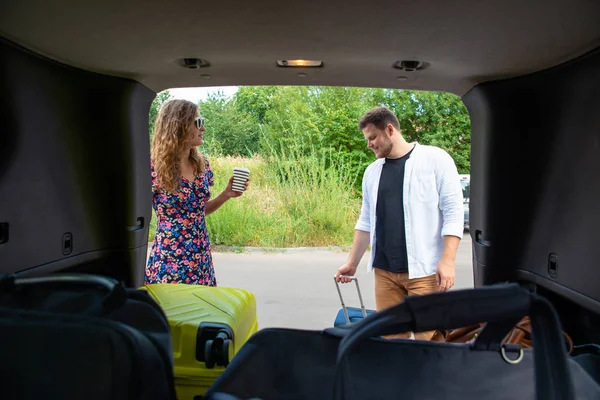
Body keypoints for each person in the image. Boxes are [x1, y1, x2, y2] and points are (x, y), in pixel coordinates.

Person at [335, 106, 463, 340]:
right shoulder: (372, 172)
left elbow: (453, 213)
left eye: (372, 138)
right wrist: (351, 263)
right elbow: (365, 220)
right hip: (384, 273)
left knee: (429, 343)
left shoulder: (436, 159)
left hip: (425, 273)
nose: (369, 144)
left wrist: (448, 261)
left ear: (390, 130)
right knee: (391, 343)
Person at [145, 99, 248, 286]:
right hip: (170, 259)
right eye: (199, 122)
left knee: (203, 310)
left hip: (201, 259)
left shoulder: (202, 165)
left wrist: (226, 194)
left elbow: (197, 211)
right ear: (180, 125)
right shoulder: (153, 168)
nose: (204, 128)